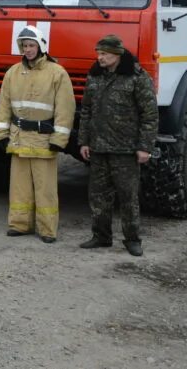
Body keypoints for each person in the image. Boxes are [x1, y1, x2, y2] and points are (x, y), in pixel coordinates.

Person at [0, 26, 75, 243]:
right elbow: (4, 106)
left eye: (31, 45)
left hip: (43, 140)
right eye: (24, 46)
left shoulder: (57, 73)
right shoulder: (13, 72)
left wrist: (59, 139)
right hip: (19, 138)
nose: (28, 49)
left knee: (45, 189)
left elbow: (65, 109)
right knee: (19, 188)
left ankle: (47, 229)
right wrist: (1, 134)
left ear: (41, 46)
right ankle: (19, 224)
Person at [78, 34, 157, 257]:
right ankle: (101, 236)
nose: (99, 57)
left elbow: (150, 115)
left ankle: (132, 239)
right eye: (98, 53)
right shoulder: (95, 76)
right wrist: (84, 141)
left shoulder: (137, 77)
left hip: (125, 149)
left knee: (128, 197)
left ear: (116, 55)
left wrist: (145, 147)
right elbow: (86, 111)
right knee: (98, 196)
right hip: (99, 148)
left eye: (103, 54)